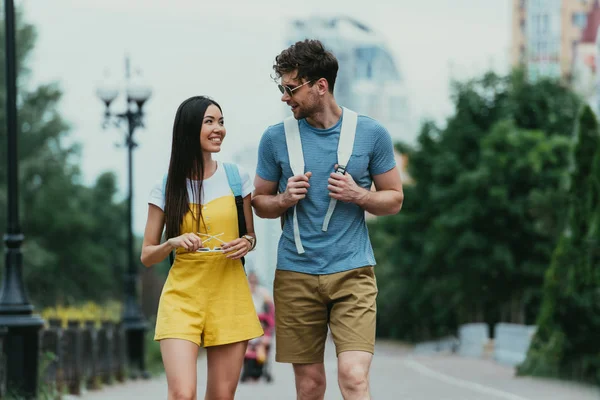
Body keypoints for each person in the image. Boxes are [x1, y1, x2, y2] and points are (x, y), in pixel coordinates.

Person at [252, 39, 404, 400]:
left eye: (291, 89)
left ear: (320, 86)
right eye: (282, 88)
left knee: (352, 377)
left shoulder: (371, 133)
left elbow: (395, 199)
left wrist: (360, 196)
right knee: (310, 386)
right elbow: (259, 202)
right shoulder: (275, 139)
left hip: (352, 271)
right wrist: (284, 199)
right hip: (295, 275)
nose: (285, 97)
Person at [140, 96, 263, 400]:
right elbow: (146, 255)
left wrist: (244, 243)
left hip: (229, 295)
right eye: (209, 121)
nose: (218, 128)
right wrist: (172, 242)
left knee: (221, 397)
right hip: (183, 298)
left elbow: (251, 235)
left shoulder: (237, 179)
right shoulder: (167, 187)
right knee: (182, 393)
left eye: (221, 121)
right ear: (189, 129)